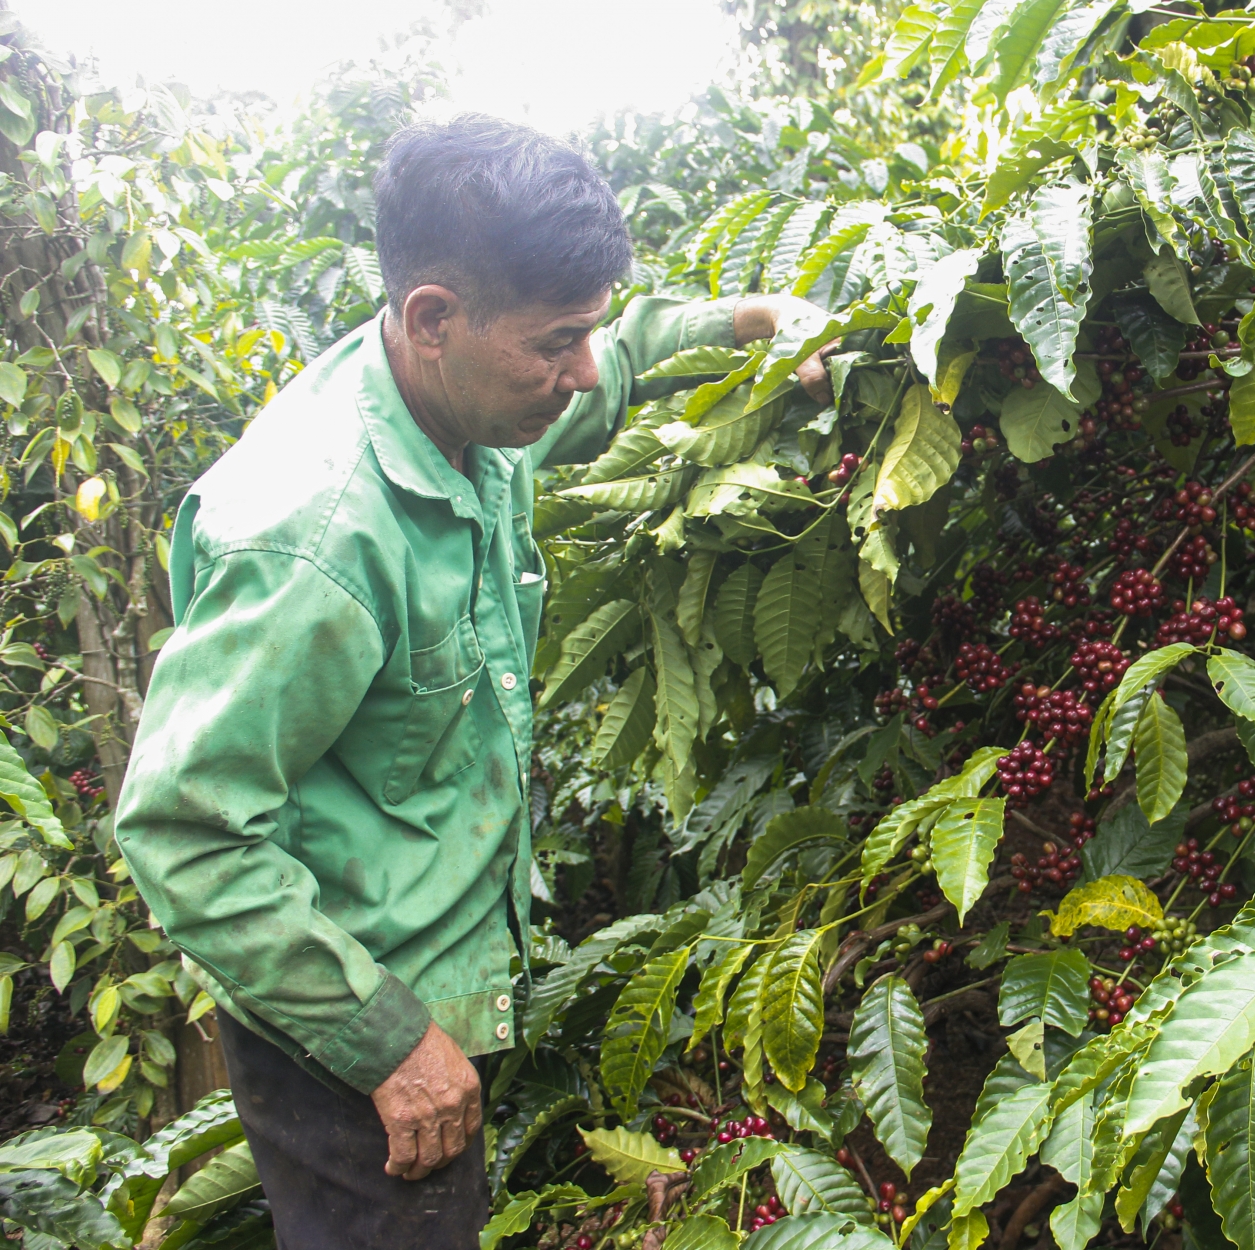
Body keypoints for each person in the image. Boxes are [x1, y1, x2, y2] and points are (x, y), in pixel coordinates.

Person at [114, 114, 828, 1248]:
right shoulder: (318, 540)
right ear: (434, 318)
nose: (579, 372)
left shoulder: (472, 404)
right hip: (346, 1025)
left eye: (582, 332)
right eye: (557, 342)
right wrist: (389, 1041)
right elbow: (183, 829)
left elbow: (626, 358)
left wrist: (746, 323)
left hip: (433, 972)